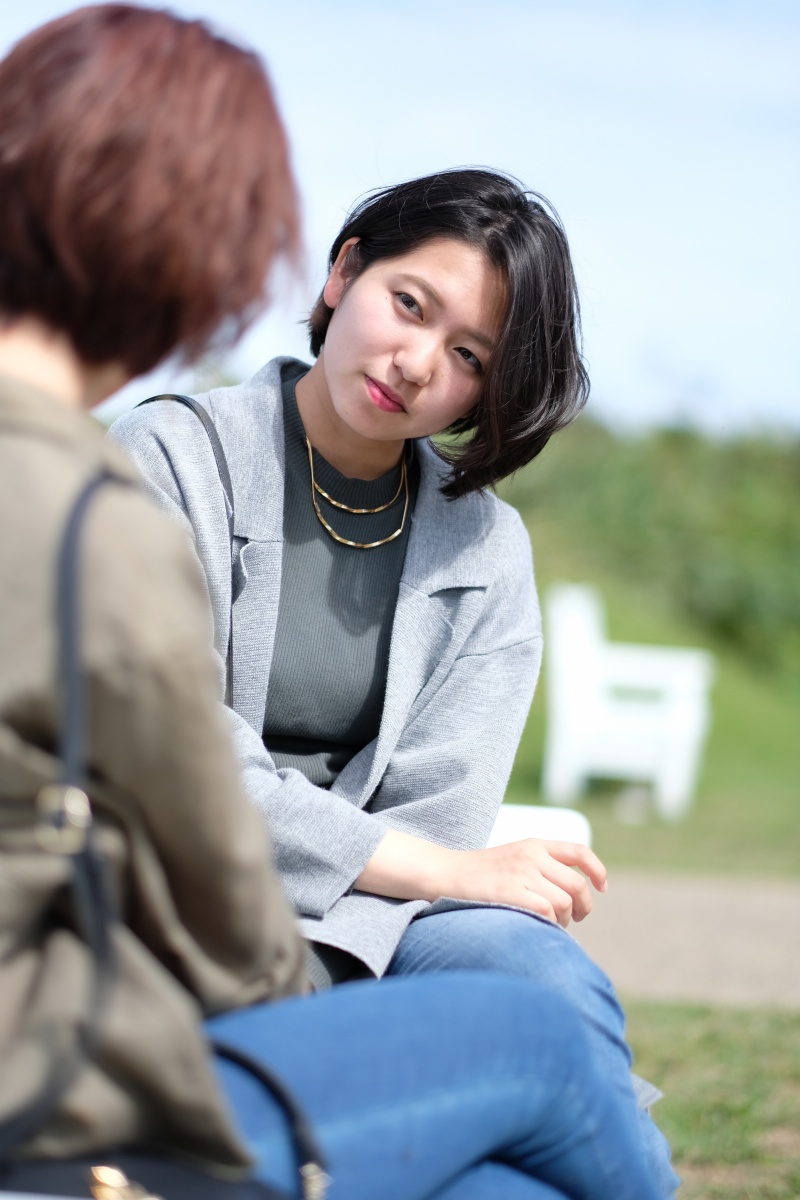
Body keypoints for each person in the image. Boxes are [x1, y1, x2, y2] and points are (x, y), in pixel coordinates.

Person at [0, 7, 662, 1199]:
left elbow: (448, 818)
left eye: (468, 356)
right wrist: (430, 881)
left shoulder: (481, 547)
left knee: (538, 978)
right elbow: (192, 784)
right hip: (187, 929)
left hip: (384, 922)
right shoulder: (166, 459)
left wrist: (414, 897)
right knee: (513, 1145)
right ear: (343, 270)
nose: (419, 365)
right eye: (411, 306)